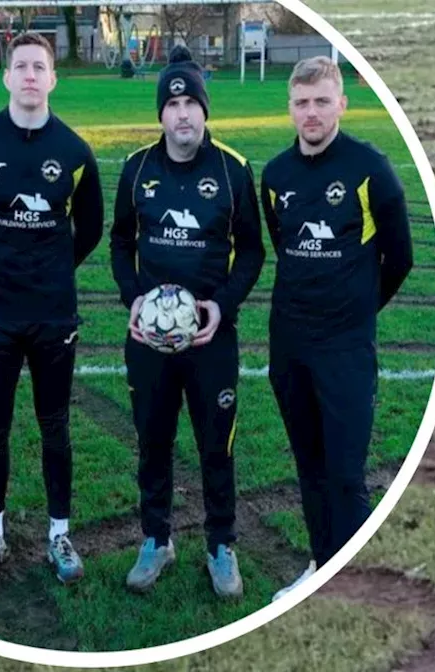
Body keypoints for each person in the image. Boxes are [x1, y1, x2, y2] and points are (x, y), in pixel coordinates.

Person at [0, 31, 104, 585]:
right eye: (21, 66)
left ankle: (61, 535)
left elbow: (92, 230)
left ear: (53, 78)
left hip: (53, 315)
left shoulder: (75, 152)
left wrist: (50, 269)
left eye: (40, 66)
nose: (30, 75)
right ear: (7, 77)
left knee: (55, 426)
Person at [110, 45, 265, 599]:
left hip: (210, 340)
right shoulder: (136, 169)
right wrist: (133, 299)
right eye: (172, 103)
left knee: (215, 445)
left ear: (205, 111)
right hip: (149, 340)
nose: (182, 114)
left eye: (190, 102)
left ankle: (221, 544)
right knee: (153, 442)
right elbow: (121, 241)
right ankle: (157, 538)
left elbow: (251, 252)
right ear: (161, 114)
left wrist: (221, 305)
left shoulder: (233, 170)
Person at [262, 56, 413, 602]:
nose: (312, 113)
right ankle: (321, 568)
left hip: (345, 349)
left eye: (322, 101)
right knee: (311, 468)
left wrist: (355, 314)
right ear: (290, 108)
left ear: (342, 105)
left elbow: (400, 259)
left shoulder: (371, 169)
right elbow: (285, 248)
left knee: (346, 475)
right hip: (290, 344)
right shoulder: (275, 176)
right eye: (302, 103)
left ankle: (354, 587)